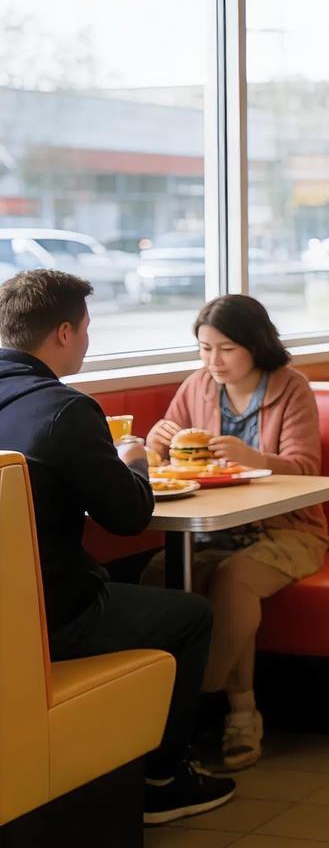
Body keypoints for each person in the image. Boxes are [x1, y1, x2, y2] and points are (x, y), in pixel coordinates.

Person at [0, 270, 234, 824]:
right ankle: (163, 778)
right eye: (85, 328)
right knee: (192, 615)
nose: (87, 339)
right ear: (63, 332)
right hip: (51, 620)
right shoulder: (64, 409)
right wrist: (132, 457)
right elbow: (129, 517)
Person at [144, 295, 327, 771]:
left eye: (225, 349)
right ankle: (205, 713)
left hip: (290, 530)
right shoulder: (196, 387)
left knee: (235, 579)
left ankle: (196, 704)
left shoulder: (291, 388)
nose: (213, 362)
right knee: (159, 572)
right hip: (212, 530)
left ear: (254, 344)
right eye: (205, 349)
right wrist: (156, 444)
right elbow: (171, 465)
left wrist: (254, 459)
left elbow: (307, 468)